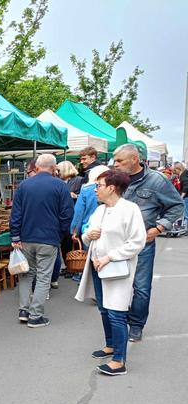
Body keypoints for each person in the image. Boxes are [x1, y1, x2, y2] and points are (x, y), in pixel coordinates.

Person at [75, 170, 146, 375]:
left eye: (99, 185)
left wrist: (110, 257)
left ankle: (119, 361)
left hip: (117, 269)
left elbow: (137, 242)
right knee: (104, 309)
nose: (96, 189)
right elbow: (86, 237)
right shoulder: (100, 210)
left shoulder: (130, 209)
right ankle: (110, 345)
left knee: (116, 311)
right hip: (97, 267)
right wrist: (89, 234)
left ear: (111, 188)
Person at [113, 144, 184, 342]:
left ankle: (136, 325)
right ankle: (119, 318)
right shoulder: (116, 179)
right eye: (114, 161)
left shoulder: (156, 180)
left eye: (119, 161)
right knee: (116, 282)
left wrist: (159, 228)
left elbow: (176, 206)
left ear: (135, 159)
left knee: (141, 286)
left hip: (143, 242)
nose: (115, 164)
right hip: (116, 242)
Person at [10, 154, 74, 328]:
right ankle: (35, 315)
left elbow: (15, 214)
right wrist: (60, 234)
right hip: (49, 238)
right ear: (54, 169)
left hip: (25, 238)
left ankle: (23, 310)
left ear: (36, 167)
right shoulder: (61, 186)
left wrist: (15, 236)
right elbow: (67, 214)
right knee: (43, 277)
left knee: (25, 274)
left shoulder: (24, 186)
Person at [177, 162, 188, 227]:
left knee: (186, 213)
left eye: (175, 170)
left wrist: (182, 196)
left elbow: (186, 186)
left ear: (179, 169)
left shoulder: (183, 175)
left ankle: (186, 228)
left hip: (186, 197)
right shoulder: (184, 174)